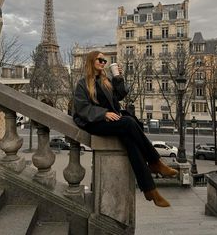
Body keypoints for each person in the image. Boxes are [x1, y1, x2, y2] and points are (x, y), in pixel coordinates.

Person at [73, 51, 178, 207]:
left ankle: (150, 190)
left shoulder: (105, 81)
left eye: (105, 60)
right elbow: (81, 108)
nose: (103, 63)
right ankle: (155, 162)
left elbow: (119, 96)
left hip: (111, 121)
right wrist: (104, 113)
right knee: (128, 122)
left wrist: (118, 78)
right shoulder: (83, 83)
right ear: (91, 62)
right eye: (100, 60)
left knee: (131, 142)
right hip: (94, 122)